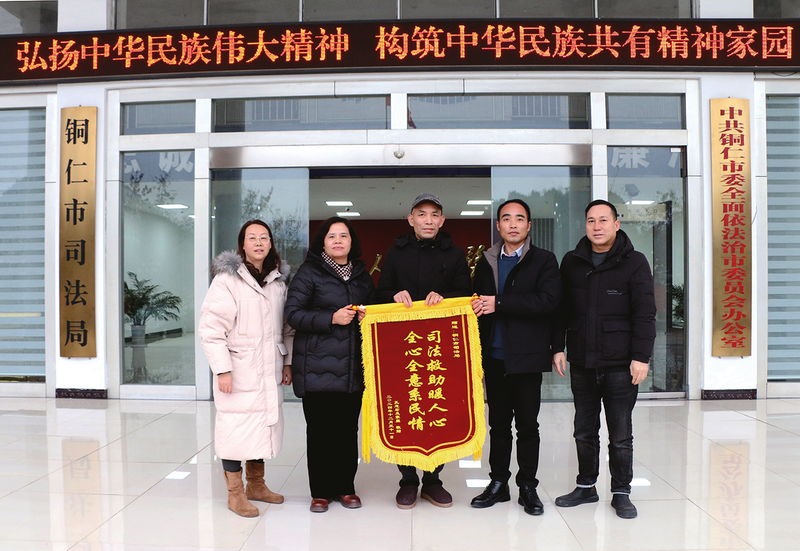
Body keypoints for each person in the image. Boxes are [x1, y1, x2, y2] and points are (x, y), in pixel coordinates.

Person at [552, 199, 656, 519]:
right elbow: (561, 309)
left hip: (620, 364)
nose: (596, 226)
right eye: (591, 221)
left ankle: (621, 492)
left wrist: (641, 356)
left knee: (620, 434)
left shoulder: (634, 262)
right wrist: (558, 347)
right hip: (582, 361)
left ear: (616, 224)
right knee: (584, 430)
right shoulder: (572, 261)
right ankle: (586, 486)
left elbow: (645, 313)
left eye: (603, 220)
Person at [376, 193, 471, 509]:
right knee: (406, 408)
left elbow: (465, 292)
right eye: (421, 214)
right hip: (401, 345)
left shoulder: (455, 253)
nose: (428, 220)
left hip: (438, 347)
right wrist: (394, 295)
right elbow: (381, 292)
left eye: (434, 215)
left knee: (437, 406)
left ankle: (433, 479)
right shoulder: (395, 252)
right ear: (411, 219)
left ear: (442, 221)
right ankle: (407, 480)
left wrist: (444, 297)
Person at [470, 199, 561, 515]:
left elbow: (547, 301)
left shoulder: (544, 260)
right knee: (497, 425)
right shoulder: (486, 262)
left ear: (528, 225)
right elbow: (478, 304)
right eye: (506, 218)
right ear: (498, 226)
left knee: (527, 426)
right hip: (493, 357)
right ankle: (498, 483)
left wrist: (499, 303)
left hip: (526, 356)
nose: (513, 224)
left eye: (519, 218)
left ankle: (528, 486)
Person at [199, 220, 293, 518]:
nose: (258, 243)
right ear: (242, 244)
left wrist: (287, 362)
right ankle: (235, 494)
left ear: (271, 243)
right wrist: (222, 370)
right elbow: (211, 330)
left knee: (262, 425)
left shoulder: (277, 282)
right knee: (234, 428)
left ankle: (256, 485)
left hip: (269, 367)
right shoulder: (227, 280)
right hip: (239, 368)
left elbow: (287, 328)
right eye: (252, 238)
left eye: (264, 237)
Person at [285, 217, 375, 513]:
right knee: (320, 433)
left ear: (352, 242)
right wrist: (331, 318)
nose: (338, 240)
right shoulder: (308, 272)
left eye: (343, 235)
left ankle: (345, 488)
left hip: (353, 369)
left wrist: (368, 316)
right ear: (322, 243)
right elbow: (293, 314)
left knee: (347, 432)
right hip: (316, 367)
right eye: (331, 236)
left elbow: (375, 312)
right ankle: (321, 492)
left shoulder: (362, 276)